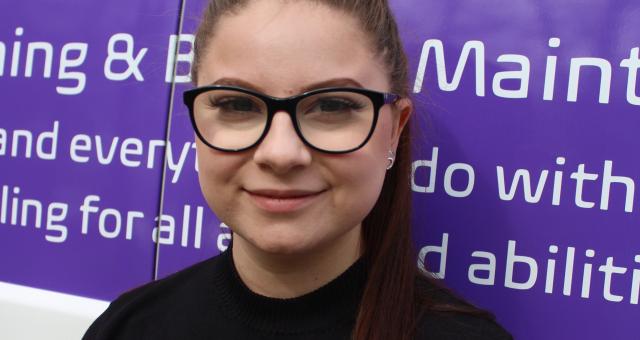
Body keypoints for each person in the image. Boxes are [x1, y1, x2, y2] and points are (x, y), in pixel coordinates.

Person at [84, 0, 513, 339]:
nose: (282, 153)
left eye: (332, 105)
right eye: (237, 104)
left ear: (394, 132)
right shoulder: (128, 328)